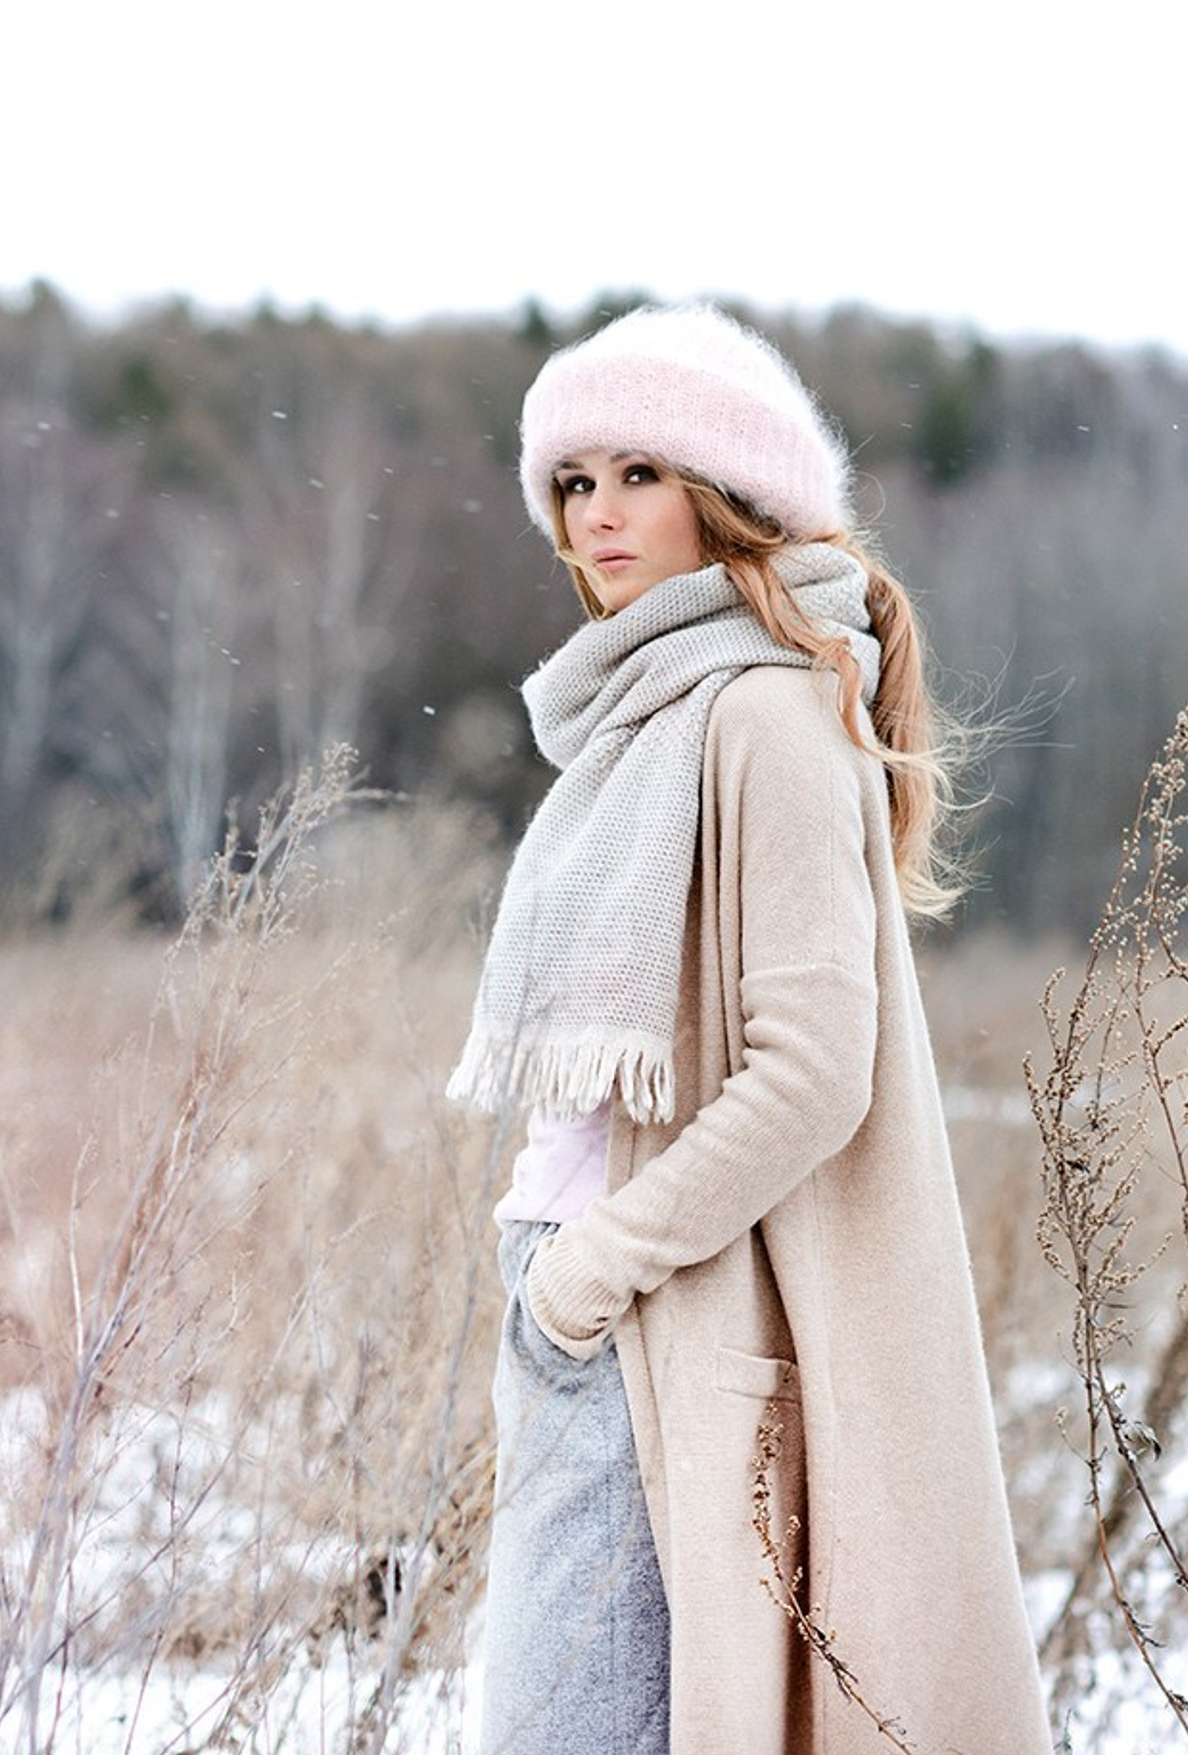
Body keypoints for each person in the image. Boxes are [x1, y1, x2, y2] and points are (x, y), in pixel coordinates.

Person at [448, 305, 1049, 1754]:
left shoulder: (767, 714)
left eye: (639, 472)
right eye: (573, 482)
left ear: (730, 494)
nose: (598, 515)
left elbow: (812, 1072)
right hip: (587, 1296)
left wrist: (597, 1272)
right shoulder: (647, 713)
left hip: (654, 1307)